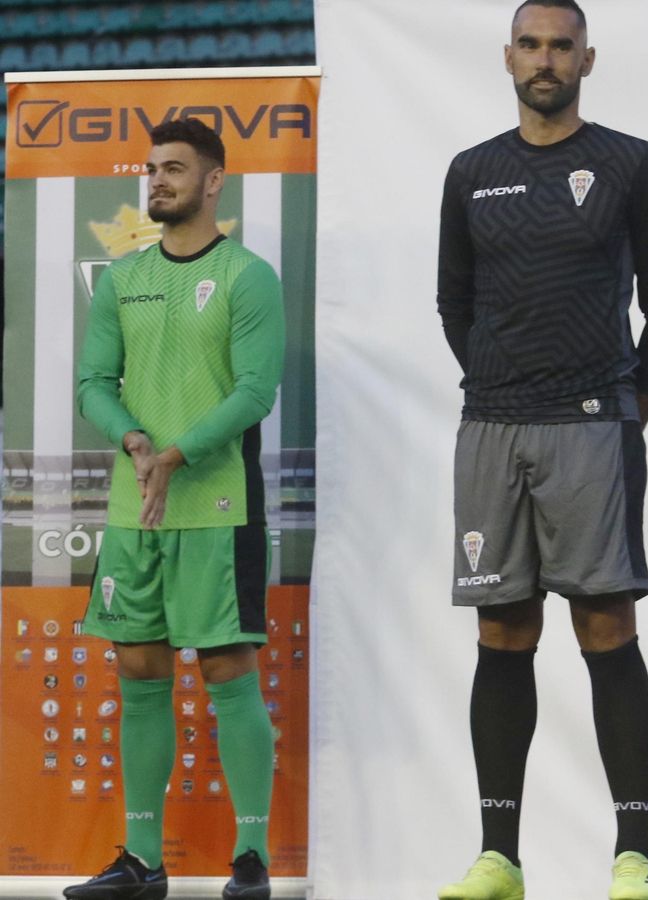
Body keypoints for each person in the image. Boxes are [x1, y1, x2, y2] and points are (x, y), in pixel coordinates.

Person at [434, 1, 648, 898]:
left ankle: (635, 857)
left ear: (589, 58)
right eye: (533, 44)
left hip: (594, 425)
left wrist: (631, 408)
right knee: (501, 632)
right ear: (509, 56)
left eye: (563, 46)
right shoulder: (471, 173)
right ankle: (499, 858)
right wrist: (504, 386)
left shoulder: (629, 163)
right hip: (492, 427)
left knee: (604, 628)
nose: (547, 59)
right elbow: (452, 305)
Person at [69, 118, 286, 900]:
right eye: (152, 169)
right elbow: (94, 380)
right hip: (136, 513)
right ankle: (141, 860)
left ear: (214, 180)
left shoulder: (247, 276)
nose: (156, 181)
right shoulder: (123, 279)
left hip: (219, 507)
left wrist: (177, 453)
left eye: (174, 169)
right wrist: (132, 441)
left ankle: (252, 858)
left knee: (228, 670)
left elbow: (257, 391)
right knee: (139, 672)